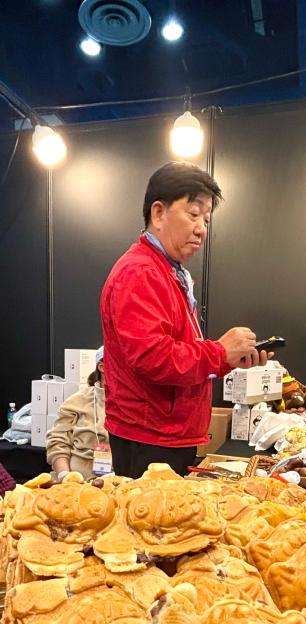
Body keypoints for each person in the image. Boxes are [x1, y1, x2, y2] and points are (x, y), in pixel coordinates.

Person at [101, 161, 270, 478]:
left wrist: (229, 359)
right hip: (149, 438)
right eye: (193, 214)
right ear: (158, 213)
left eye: (206, 219)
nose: (202, 228)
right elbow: (153, 357)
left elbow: (180, 352)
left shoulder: (169, 272)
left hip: (168, 433)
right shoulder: (140, 272)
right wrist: (219, 352)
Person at [46, 347, 107, 481]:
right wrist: (65, 476)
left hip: (119, 484)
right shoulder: (76, 401)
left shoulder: (135, 403)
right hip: (75, 484)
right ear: (102, 367)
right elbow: (57, 441)